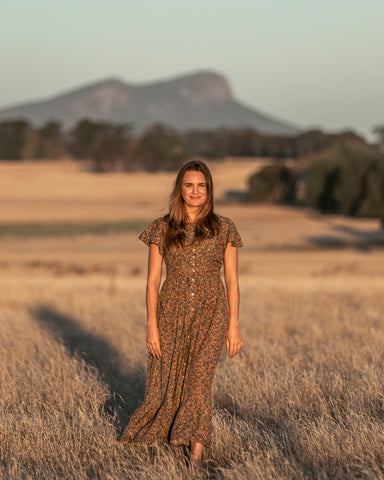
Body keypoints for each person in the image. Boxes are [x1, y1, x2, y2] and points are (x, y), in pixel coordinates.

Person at [119, 160, 243, 469]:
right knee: (166, 384)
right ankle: (161, 435)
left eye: (201, 185)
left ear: (209, 189)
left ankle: (195, 457)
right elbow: (151, 281)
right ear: (180, 189)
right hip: (170, 312)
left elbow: (232, 280)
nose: (195, 191)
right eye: (189, 185)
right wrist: (151, 325)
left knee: (199, 380)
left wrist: (234, 325)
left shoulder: (224, 227)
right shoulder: (162, 227)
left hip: (212, 313)